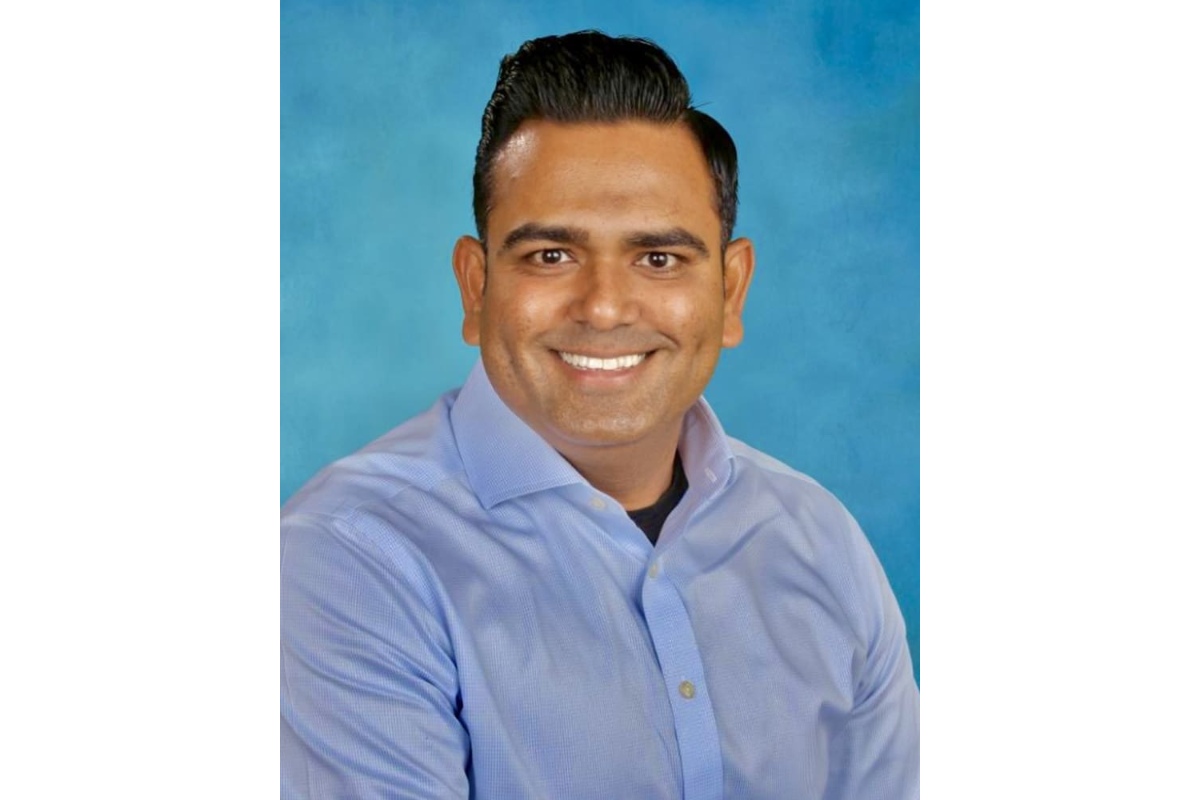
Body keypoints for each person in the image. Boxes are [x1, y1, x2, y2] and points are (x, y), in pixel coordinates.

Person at [281, 30, 919, 800]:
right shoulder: (349, 559)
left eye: (659, 259)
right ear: (476, 288)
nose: (606, 307)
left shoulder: (821, 542)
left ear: (732, 291)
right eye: (551, 256)